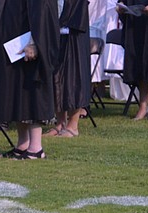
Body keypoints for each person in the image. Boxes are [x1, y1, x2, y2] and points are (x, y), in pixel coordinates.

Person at [0, 0, 59, 159]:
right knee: (17, 93)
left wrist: (35, 42)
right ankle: (22, 144)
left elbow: (43, 9)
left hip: (27, 41)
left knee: (31, 93)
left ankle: (36, 148)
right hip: (12, 41)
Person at [46, 0, 90, 137]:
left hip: (74, 30)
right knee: (56, 75)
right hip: (56, 29)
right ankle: (60, 124)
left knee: (73, 76)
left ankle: (73, 125)